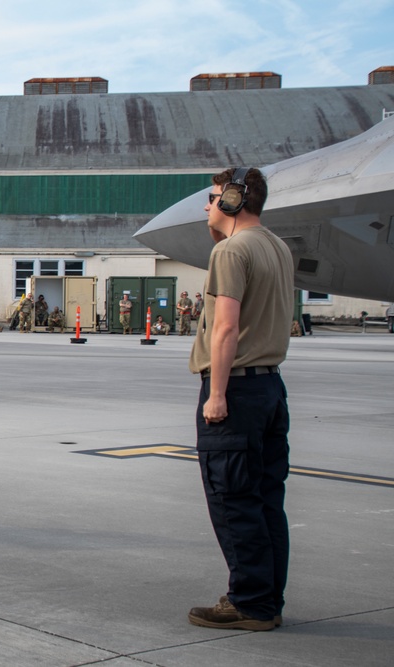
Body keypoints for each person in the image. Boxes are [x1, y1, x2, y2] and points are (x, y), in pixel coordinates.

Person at [187, 167, 294, 632]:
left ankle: (249, 601)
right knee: (268, 499)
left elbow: (226, 326)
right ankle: (268, 598)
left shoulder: (231, 250)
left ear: (232, 201)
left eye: (212, 198)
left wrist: (216, 394)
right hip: (270, 386)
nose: (207, 207)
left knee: (232, 498)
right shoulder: (277, 246)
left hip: (237, 388)